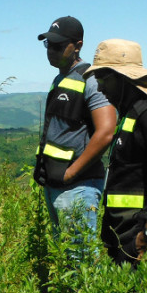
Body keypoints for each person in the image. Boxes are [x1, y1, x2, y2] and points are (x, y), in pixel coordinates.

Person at [83, 39, 147, 265]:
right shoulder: (131, 114)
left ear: (123, 79)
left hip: (139, 240)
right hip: (125, 236)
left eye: (103, 78)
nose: (99, 87)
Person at [34, 16, 116, 259]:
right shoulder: (60, 79)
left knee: (80, 259)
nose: (51, 50)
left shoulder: (91, 80)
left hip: (78, 188)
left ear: (77, 45)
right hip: (56, 184)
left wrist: (71, 173)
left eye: (59, 45)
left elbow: (106, 132)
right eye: (48, 44)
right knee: (64, 257)